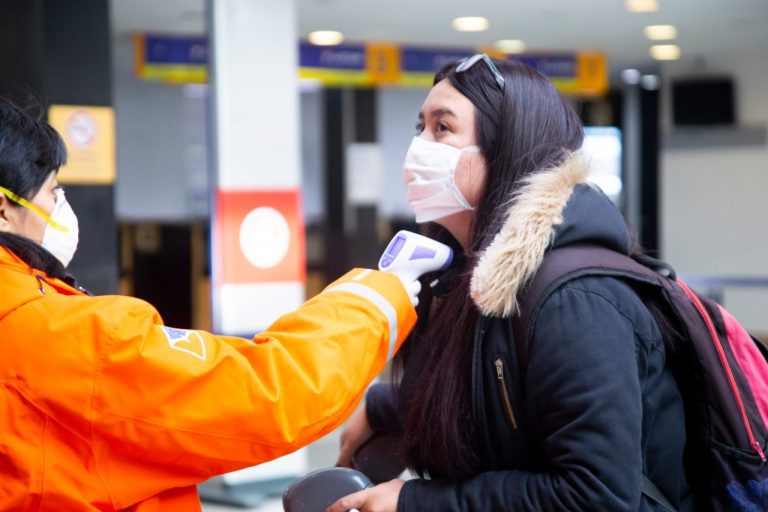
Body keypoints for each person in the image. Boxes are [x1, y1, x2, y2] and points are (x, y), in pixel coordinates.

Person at [0, 99, 419, 511]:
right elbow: (266, 395)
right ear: (4, 208)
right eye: (53, 191)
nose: (61, 206)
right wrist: (376, 298)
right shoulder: (58, 336)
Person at [329, 54, 694, 511]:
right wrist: (386, 406)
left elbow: (596, 496)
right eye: (420, 128)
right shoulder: (465, 274)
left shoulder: (576, 300)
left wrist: (416, 503)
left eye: (443, 128)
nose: (420, 146)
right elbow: (484, 385)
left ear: (507, 148)